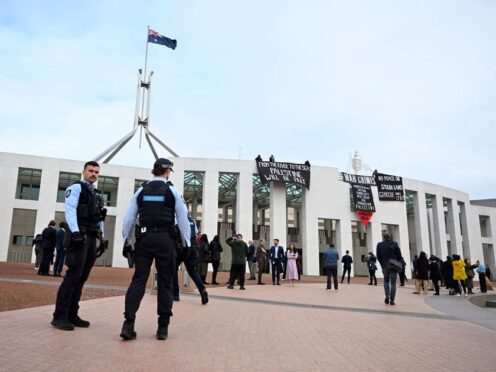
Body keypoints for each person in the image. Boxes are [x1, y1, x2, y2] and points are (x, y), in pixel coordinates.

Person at [120, 158, 190, 341]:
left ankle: (128, 324)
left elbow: (129, 218)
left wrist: (126, 240)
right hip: (166, 240)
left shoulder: (141, 190)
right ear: (168, 172)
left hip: (145, 240)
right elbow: (183, 218)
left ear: (153, 171)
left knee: (138, 280)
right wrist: (186, 242)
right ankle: (162, 327)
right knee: (166, 282)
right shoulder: (172, 190)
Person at [51, 161, 106, 331]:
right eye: (90, 170)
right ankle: (59, 316)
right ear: (83, 171)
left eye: (96, 171)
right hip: (79, 236)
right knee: (73, 275)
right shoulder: (75, 188)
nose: (93, 174)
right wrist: (74, 232)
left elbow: (99, 217)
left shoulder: (96, 194)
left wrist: (102, 237)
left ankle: (72, 314)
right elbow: (70, 210)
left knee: (82, 277)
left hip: (90, 237)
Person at [172, 216, 208, 305]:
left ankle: (175, 294)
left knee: (173, 269)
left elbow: (173, 232)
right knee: (192, 271)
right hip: (192, 248)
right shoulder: (192, 220)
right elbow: (196, 233)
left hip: (180, 247)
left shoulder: (176, 219)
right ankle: (202, 290)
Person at [376, 232, 403, 306]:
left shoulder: (379, 245)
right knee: (393, 283)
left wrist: (382, 264)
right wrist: (398, 262)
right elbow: (399, 255)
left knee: (386, 281)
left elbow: (378, 256)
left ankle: (387, 295)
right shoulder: (394, 243)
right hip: (394, 265)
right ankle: (392, 301)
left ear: (383, 237)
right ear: (390, 236)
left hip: (385, 265)